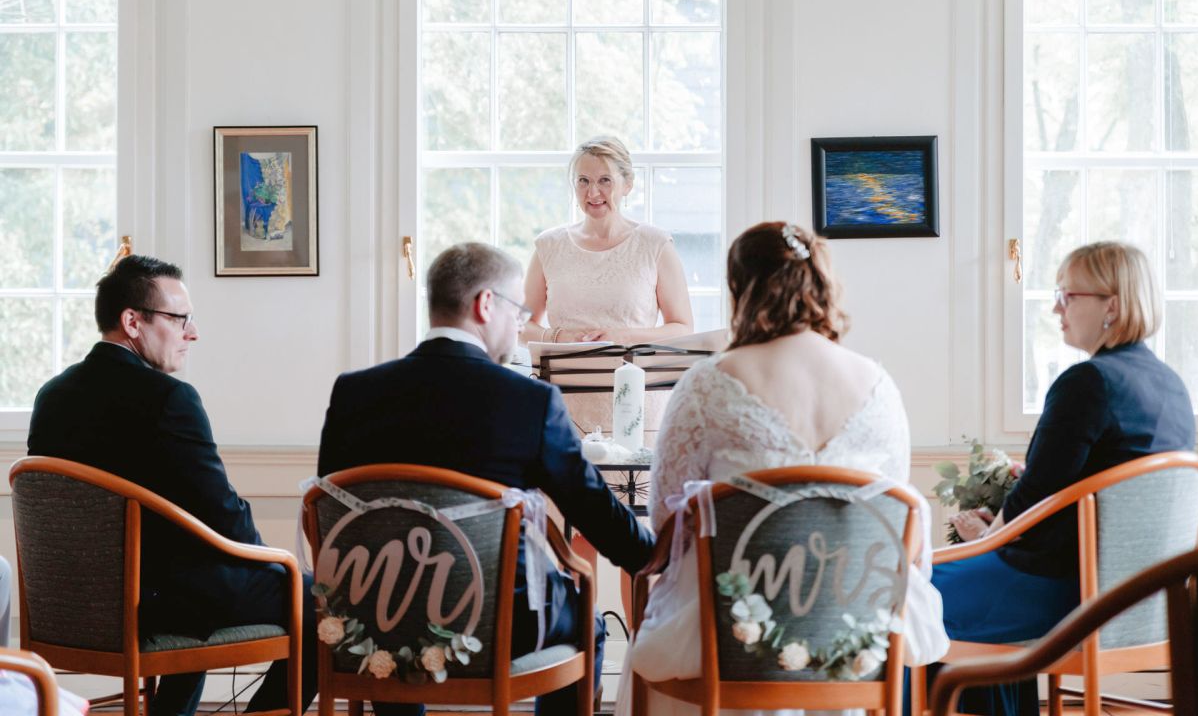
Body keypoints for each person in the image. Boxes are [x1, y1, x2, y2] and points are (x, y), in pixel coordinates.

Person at [618, 222, 949, 716]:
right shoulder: (878, 386)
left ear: (740, 290)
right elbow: (889, 518)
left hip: (726, 639)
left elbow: (666, 524)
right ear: (820, 285)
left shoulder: (708, 384)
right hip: (849, 637)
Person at [317, 241, 655, 716]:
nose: (521, 325)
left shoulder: (353, 393)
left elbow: (337, 516)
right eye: (518, 310)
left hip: (374, 615)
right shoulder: (529, 402)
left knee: (395, 611)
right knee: (587, 620)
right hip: (498, 624)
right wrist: (651, 550)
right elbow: (592, 510)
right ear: (486, 304)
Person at [26, 255, 316, 716]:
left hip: (68, 604)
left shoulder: (51, 396)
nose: (192, 333)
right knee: (314, 599)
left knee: (191, 572)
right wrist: (269, 561)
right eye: (180, 319)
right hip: (160, 603)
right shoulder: (169, 399)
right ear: (132, 322)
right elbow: (222, 513)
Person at [934, 241, 1196, 716]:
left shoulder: (1087, 382)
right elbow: (1088, 486)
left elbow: (1036, 497)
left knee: (913, 595)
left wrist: (985, 538)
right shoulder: (1170, 384)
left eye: (1067, 295)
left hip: (1068, 597)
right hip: (1143, 600)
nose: (1056, 307)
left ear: (1111, 305)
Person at [521, 135, 694, 435]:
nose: (594, 192)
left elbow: (682, 327)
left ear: (627, 184)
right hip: (565, 408)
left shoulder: (655, 244)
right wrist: (560, 336)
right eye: (583, 181)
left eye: (605, 180)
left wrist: (620, 336)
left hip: (638, 406)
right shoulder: (548, 246)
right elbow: (521, 326)